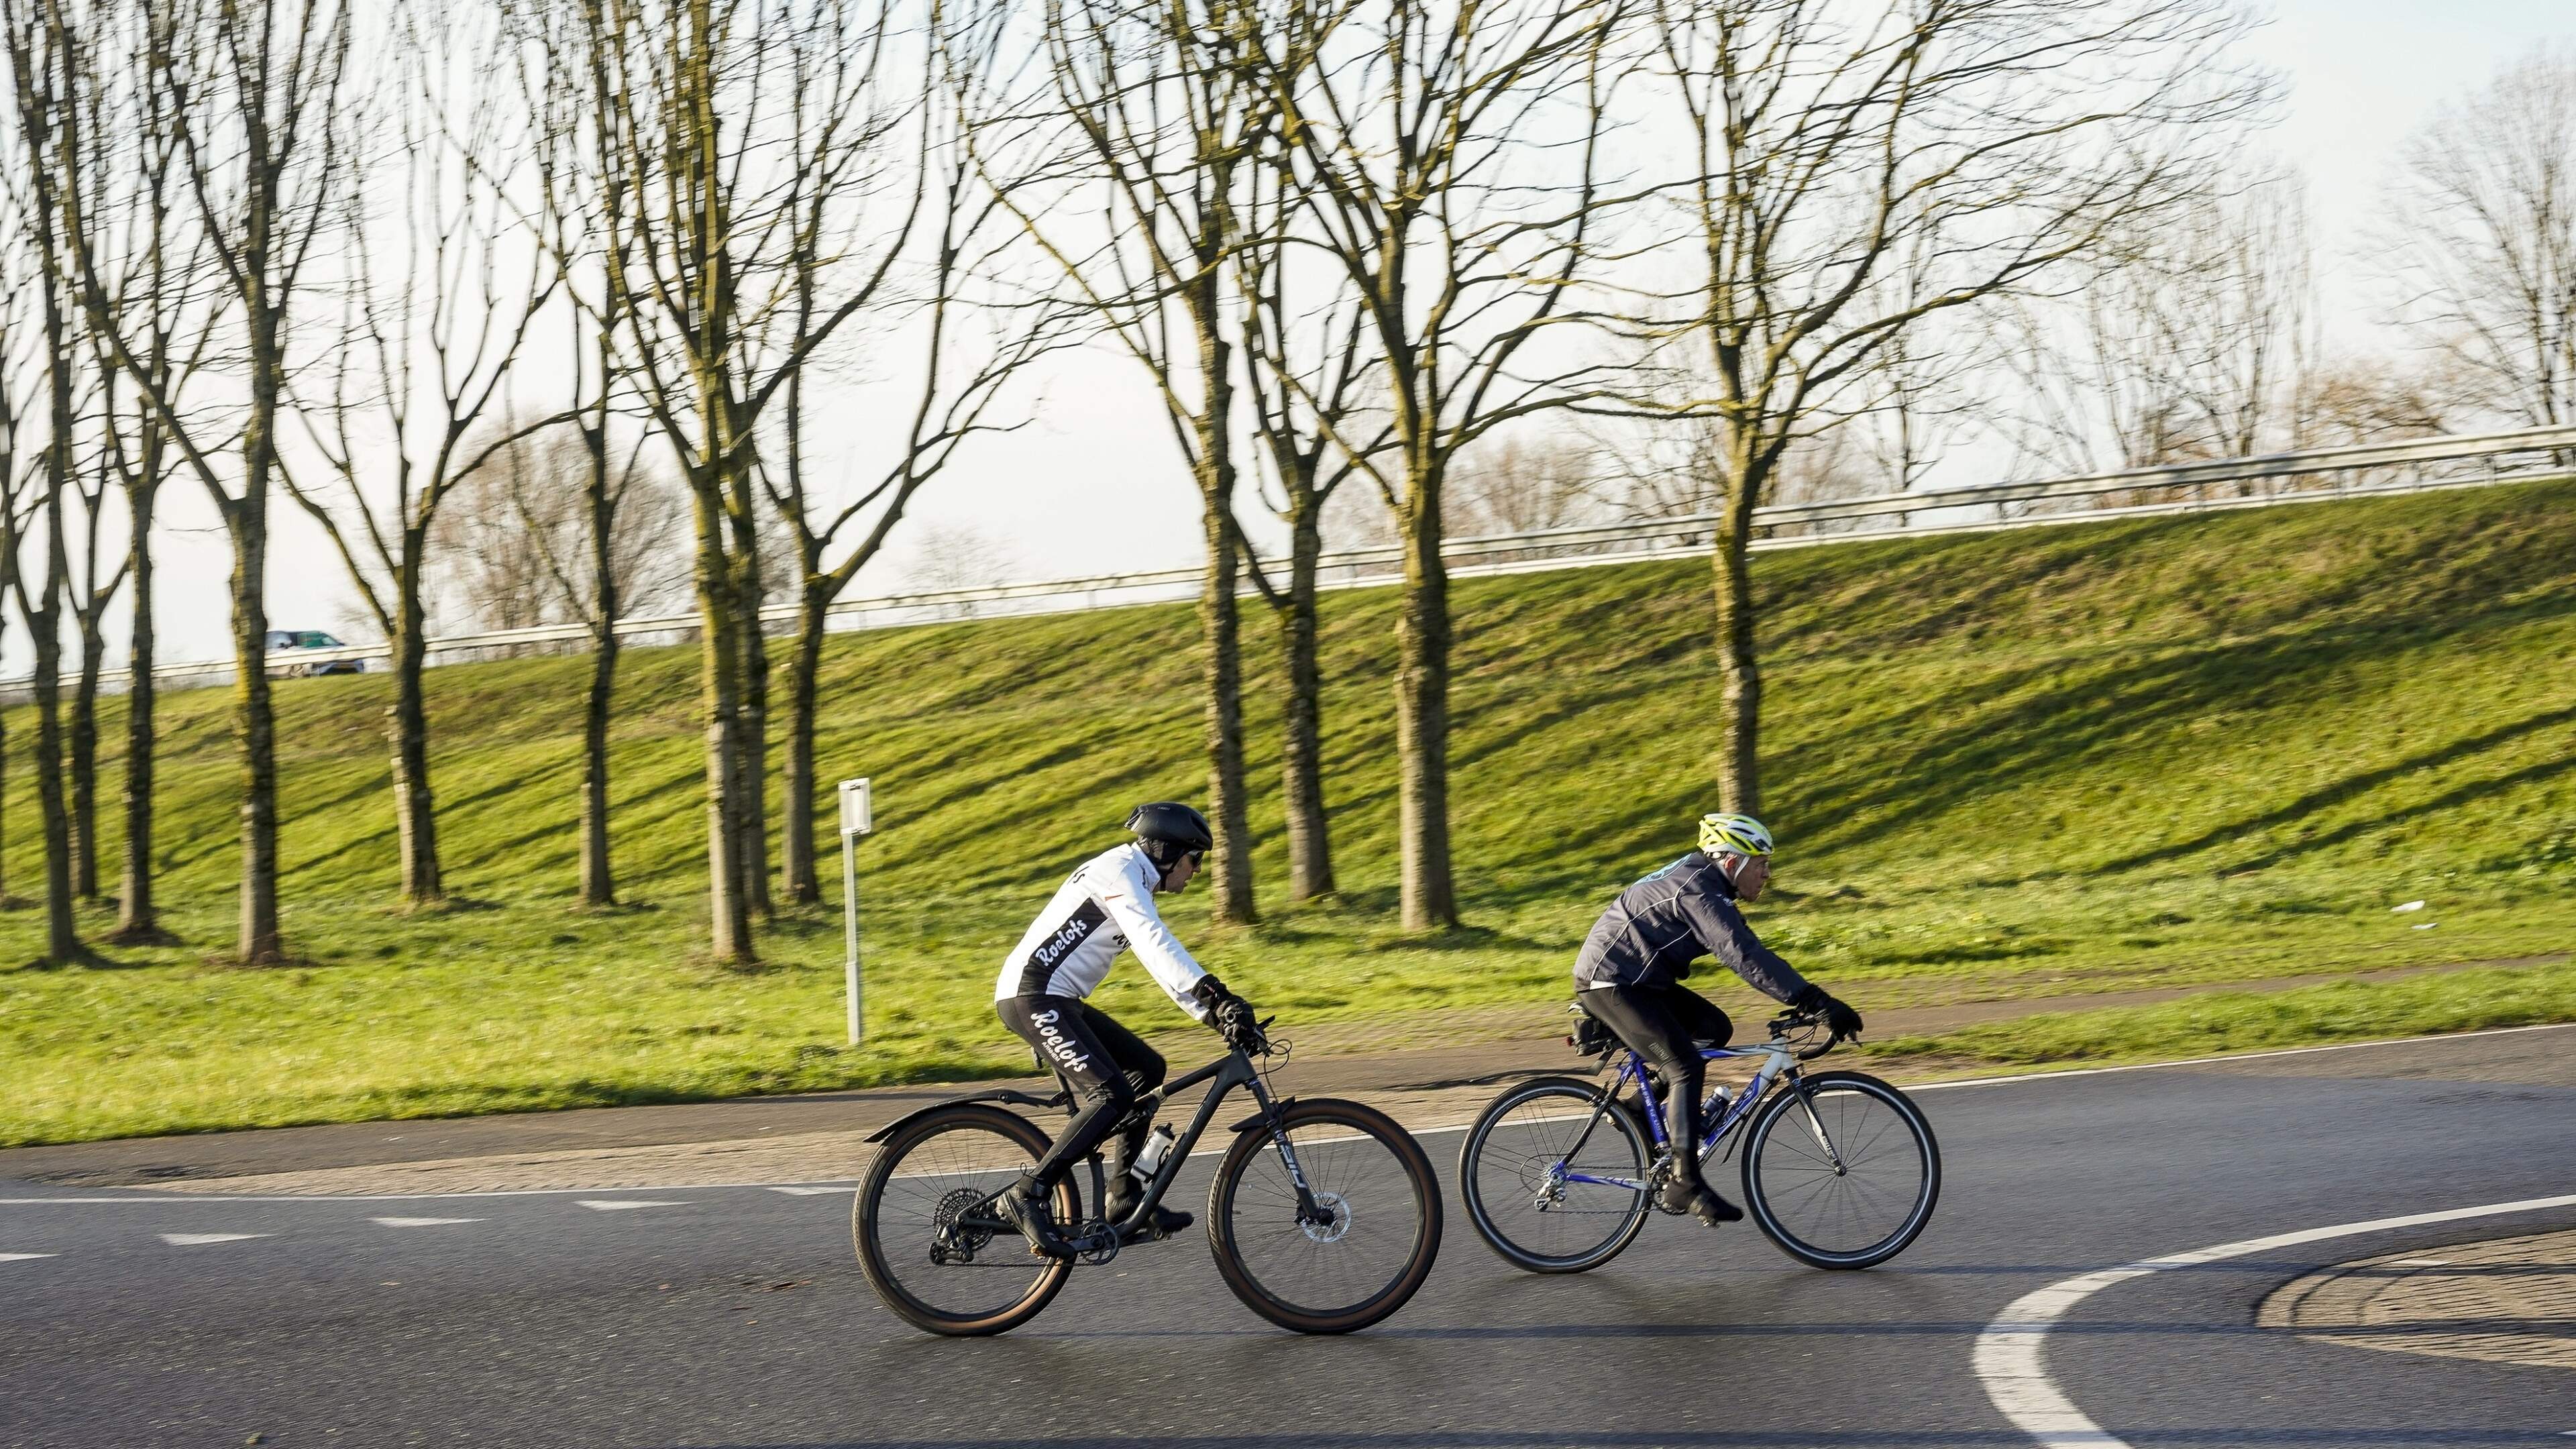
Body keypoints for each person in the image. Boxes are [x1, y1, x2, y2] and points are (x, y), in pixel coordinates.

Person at [989, 802, 1267, 1257]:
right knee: (1112, 1095)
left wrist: (1213, 1015)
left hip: (1057, 998)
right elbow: (1156, 945)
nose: (1196, 872)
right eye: (1194, 860)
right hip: (1033, 995)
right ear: (1169, 854)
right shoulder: (1120, 874)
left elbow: (1158, 962)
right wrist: (1217, 998)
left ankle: (1123, 1198)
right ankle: (1028, 1193)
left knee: (1146, 1069)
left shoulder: (1132, 879)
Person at [1572, 812, 1865, 1226]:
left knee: (1714, 1029)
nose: (1768, 874)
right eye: (1761, 863)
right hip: (1613, 983)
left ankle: (1639, 1110)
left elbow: (1749, 949)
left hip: (1641, 980)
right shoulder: (1700, 893)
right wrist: (1816, 1001)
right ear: (1731, 863)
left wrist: (1808, 998)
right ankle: (1684, 1182)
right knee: (1686, 1068)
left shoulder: (1707, 884)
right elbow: (1743, 956)